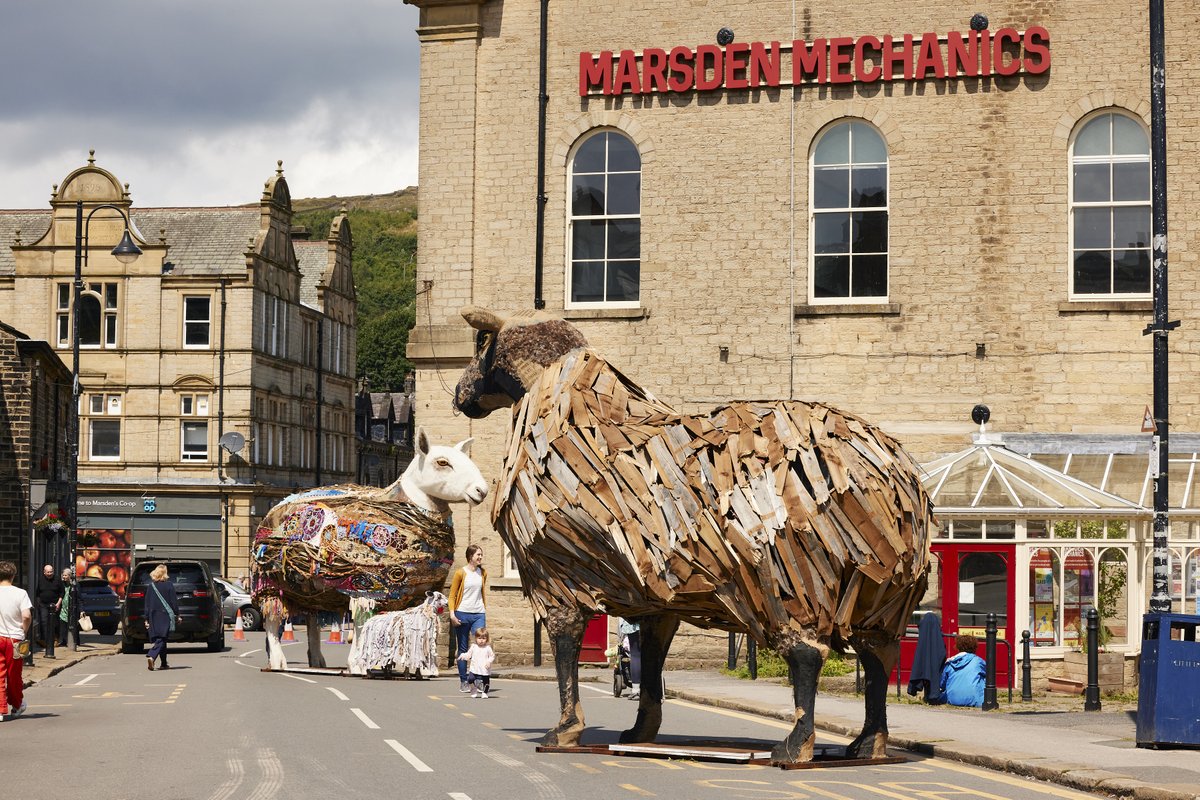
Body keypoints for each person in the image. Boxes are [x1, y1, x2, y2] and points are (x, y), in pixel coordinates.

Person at [448, 544, 487, 693]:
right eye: (478, 555)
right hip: (462, 613)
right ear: (470, 556)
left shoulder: (483, 573)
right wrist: (452, 615)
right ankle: (464, 681)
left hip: (479, 613)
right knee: (463, 648)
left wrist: (483, 608)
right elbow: (452, 596)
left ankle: (478, 679)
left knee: (480, 646)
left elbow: (481, 593)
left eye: (481, 554)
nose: (480, 557)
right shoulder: (460, 573)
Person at [0, 560, 33, 721]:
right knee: (14, 675)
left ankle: (0, 709)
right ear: (13, 575)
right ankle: (17, 705)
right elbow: (26, 616)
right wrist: (23, 630)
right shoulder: (20, 593)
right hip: (15, 639)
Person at [144, 564, 180, 671]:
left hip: (153, 615)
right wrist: (177, 614)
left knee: (161, 638)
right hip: (165, 615)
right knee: (162, 638)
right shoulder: (169, 585)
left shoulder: (151, 586)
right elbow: (173, 602)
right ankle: (152, 655)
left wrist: (146, 618)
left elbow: (147, 604)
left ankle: (163, 663)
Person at [906, 612, 946, 703]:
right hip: (935, 665)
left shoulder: (923, 639)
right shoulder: (937, 637)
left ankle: (927, 696)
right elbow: (942, 653)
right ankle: (933, 696)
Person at [940, 633, 987, 707]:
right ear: (975, 647)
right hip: (976, 700)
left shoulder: (950, 662)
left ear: (957, 647)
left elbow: (942, 683)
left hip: (953, 700)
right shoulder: (978, 661)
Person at [457, 626, 496, 699]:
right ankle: (473, 688)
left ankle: (485, 692)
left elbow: (492, 656)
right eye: (479, 638)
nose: (481, 640)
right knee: (470, 679)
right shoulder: (473, 646)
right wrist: (463, 655)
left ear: (487, 639)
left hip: (484, 668)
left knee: (486, 681)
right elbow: (469, 655)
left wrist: (489, 662)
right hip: (474, 667)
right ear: (476, 638)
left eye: (483, 638)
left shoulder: (488, 648)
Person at [33, 563, 63, 659]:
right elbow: (38, 593)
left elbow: (62, 593)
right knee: (43, 621)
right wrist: (39, 603)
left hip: (55, 605)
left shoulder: (57, 579)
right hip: (43, 604)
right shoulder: (41, 580)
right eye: (48, 572)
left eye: (51, 572)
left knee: (55, 623)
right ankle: (46, 641)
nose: (50, 574)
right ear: (44, 572)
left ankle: (55, 639)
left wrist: (58, 604)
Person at [618, 617, 642, 700]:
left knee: (635, 655)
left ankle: (636, 690)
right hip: (653, 621)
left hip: (634, 622)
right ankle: (654, 687)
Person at [57, 567, 74, 647]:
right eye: (63, 575)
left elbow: (79, 598)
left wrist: (81, 610)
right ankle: (63, 640)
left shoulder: (73, 585)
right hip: (62, 608)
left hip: (70, 608)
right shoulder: (61, 584)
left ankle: (71, 641)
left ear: (69, 576)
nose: (64, 577)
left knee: (70, 626)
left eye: (65, 575)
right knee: (62, 625)